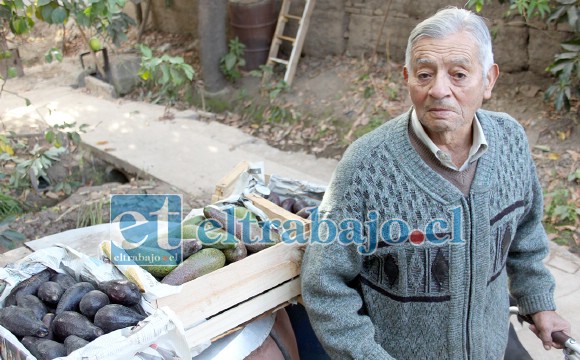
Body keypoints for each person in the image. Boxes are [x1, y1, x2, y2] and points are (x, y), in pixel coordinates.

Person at [300, 6, 571, 359]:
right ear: (407, 77)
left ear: (488, 79)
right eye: (424, 74)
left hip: (491, 348)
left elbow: (525, 235)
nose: (439, 90)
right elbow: (325, 285)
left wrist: (538, 302)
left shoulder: (511, 141)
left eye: (459, 74)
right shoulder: (366, 167)